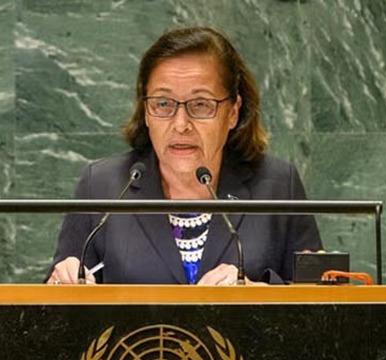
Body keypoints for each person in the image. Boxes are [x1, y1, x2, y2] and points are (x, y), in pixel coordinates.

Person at [47, 26, 321, 286]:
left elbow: (320, 296)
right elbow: (52, 305)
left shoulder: (278, 185)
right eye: (163, 104)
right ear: (145, 111)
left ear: (232, 112)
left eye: (200, 105)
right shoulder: (103, 185)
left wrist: (258, 293)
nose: (180, 124)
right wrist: (62, 282)